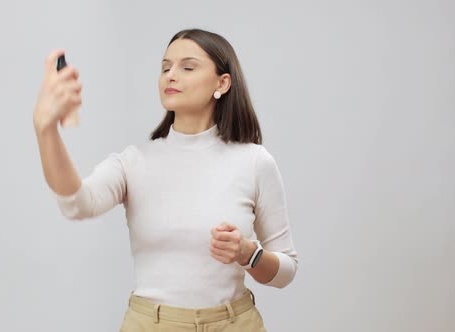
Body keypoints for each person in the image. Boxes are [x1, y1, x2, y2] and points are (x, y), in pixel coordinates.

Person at [33, 28, 298, 332]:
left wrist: (249, 254)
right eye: (165, 67)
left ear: (222, 83)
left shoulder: (254, 162)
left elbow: (285, 272)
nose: (171, 75)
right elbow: (75, 204)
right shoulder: (134, 163)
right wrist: (46, 130)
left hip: (235, 324)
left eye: (187, 67)